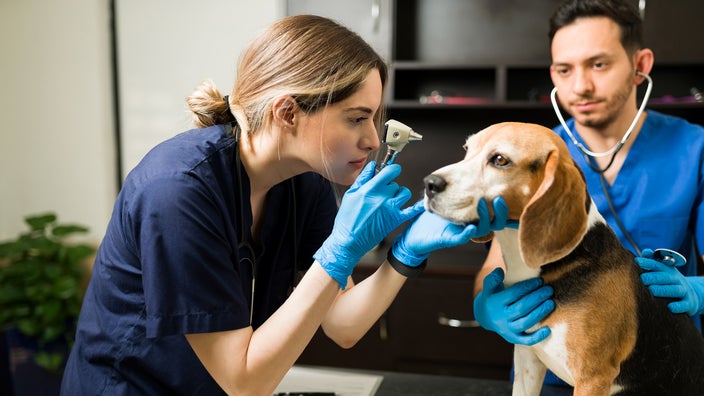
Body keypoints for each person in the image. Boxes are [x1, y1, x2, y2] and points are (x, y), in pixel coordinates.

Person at [61, 15, 510, 395]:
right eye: (356, 118)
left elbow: (344, 325)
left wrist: (406, 253)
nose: (373, 139)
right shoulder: (179, 191)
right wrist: (338, 253)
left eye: (374, 118)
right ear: (288, 112)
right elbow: (244, 381)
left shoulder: (301, 182)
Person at [472, 0, 704, 387]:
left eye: (599, 64)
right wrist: (489, 306)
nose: (580, 86)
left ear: (640, 66)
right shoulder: (535, 157)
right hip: (550, 376)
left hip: (653, 373)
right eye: (565, 70)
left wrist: (698, 290)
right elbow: (493, 269)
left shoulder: (694, 150)